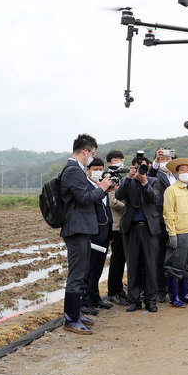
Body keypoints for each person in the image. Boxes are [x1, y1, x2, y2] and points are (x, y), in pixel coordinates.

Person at [60, 134, 112, 335]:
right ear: (85, 151)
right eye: (92, 153)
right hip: (76, 228)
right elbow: (83, 198)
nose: (93, 157)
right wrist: (102, 189)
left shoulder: (76, 170)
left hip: (81, 228)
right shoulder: (73, 170)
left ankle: (76, 313)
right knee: (77, 274)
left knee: (81, 273)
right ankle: (71, 319)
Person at [117, 153, 162, 312]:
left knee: (150, 265)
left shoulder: (154, 181)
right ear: (133, 167)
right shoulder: (126, 180)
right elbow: (118, 195)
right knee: (133, 264)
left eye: (144, 167)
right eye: (138, 167)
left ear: (148, 167)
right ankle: (134, 300)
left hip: (149, 227)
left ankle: (151, 300)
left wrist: (144, 184)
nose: (141, 170)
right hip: (131, 228)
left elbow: (155, 199)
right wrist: (129, 177)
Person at [162, 158, 188, 308]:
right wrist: (172, 233)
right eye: (182, 170)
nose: (185, 173)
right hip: (180, 233)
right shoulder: (171, 190)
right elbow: (168, 213)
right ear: (177, 172)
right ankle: (174, 297)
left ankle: (185, 294)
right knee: (175, 265)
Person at [81, 157, 114, 311]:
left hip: (104, 233)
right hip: (92, 235)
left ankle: (95, 297)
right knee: (88, 268)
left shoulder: (104, 186)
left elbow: (107, 210)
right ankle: (85, 301)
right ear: (88, 170)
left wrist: (110, 233)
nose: (98, 171)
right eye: (94, 169)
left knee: (98, 267)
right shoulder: (86, 187)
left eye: (100, 168)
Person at [148, 148, 177, 303]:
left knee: (176, 257)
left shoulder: (177, 176)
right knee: (160, 258)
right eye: (163, 159)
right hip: (160, 221)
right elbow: (148, 177)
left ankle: (177, 289)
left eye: (168, 158)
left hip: (177, 221)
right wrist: (156, 163)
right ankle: (160, 290)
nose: (166, 161)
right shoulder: (156, 175)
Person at [105, 150, 131, 306]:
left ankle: (119, 289)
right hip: (116, 225)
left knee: (122, 259)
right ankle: (113, 292)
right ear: (109, 162)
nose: (119, 162)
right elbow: (114, 202)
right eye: (116, 159)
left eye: (121, 159)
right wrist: (131, 209)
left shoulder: (122, 177)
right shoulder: (110, 178)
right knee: (117, 259)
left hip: (124, 224)